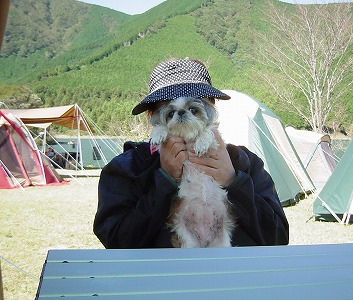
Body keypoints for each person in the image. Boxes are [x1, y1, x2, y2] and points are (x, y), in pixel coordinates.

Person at [93, 58, 289, 248]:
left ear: (210, 110)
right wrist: (164, 180)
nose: (182, 115)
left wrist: (234, 182)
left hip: (234, 277)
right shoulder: (126, 168)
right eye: (170, 109)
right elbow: (116, 241)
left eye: (194, 107)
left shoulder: (245, 162)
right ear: (153, 116)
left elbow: (278, 237)